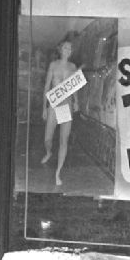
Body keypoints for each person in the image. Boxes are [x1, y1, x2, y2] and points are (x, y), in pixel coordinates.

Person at [41, 39, 80, 186]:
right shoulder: (53, 65)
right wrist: (44, 107)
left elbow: (74, 87)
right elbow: (46, 87)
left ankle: (58, 173)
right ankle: (49, 152)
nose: (68, 50)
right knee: (48, 139)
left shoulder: (73, 66)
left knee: (64, 140)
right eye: (65, 48)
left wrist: (76, 101)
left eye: (70, 48)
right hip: (54, 105)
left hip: (66, 106)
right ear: (60, 49)